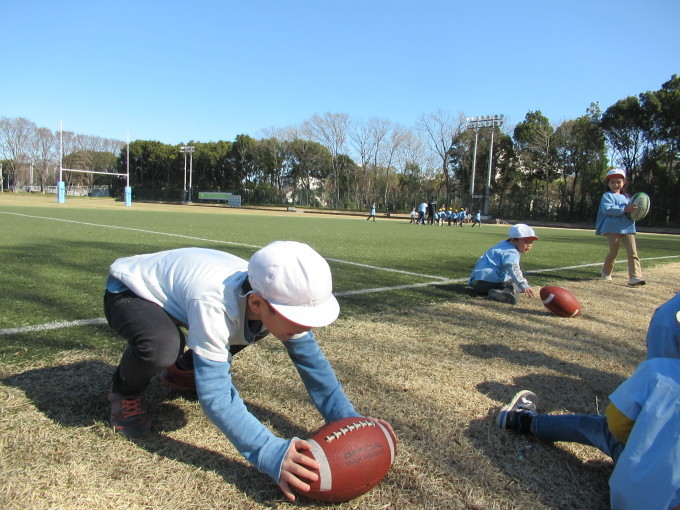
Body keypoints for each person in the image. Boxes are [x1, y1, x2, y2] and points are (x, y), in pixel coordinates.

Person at [103, 241, 395, 502]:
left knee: (251, 328)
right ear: (257, 302)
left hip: (186, 297)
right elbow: (216, 396)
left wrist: (345, 418)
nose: (306, 329)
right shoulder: (214, 303)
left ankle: (183, 372)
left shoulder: (271, 297)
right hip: (131, 292)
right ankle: (125, 391)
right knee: (163, 346)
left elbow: (312, 364)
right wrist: (268, 451)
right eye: (300, 321)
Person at [497, 359, 680, 510]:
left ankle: (522, 420)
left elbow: (616, 426)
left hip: (633, 499)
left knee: (603, 427)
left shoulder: (659, 371)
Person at [595, 168, 645, 286]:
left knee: (633, 252)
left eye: (618, 182)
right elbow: (607, 209)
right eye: (612, 182)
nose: (616, 185)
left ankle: (635, 277)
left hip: (628, 227)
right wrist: (624, 209)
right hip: (612, 227)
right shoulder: (607, 196)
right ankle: (606, 272)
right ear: (608, 184)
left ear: (624, 182)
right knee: (614, 252)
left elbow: (633, 211)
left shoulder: (628, 197)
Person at [467, 224, 538, 305]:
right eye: (525, 241)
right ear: (514, 240)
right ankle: (506, 291)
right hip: (491, 283)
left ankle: (499, 291)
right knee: (521, 280)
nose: (529, 245)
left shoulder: (502, 245)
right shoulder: (511, 252)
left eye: (531, 242)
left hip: (477, 283)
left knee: (518, 274)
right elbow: (513, 268)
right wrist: (524, 285)